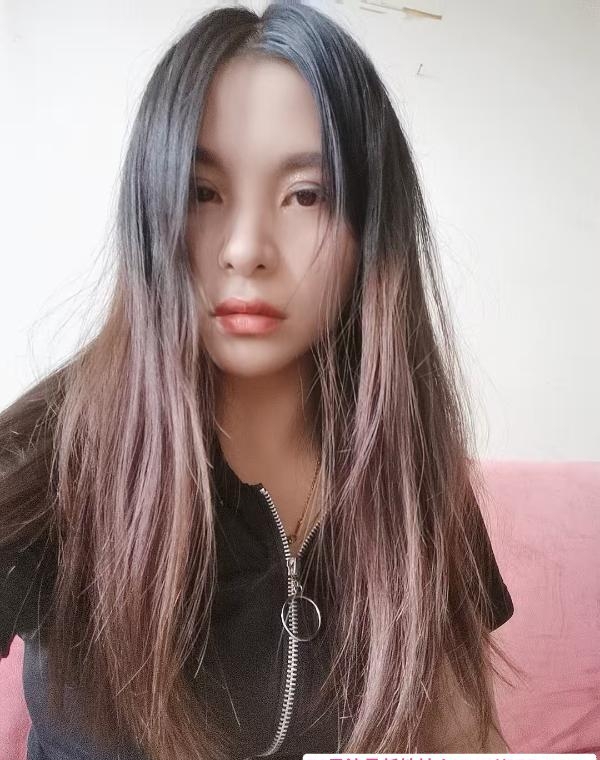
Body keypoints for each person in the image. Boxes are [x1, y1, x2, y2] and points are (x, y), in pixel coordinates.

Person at [0, 3, 519, 759]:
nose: (245, 249)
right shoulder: (41, 460)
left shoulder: (412, 473)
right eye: (202, 193)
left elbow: (465, 737)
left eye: (306, 195)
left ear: (371, 229)